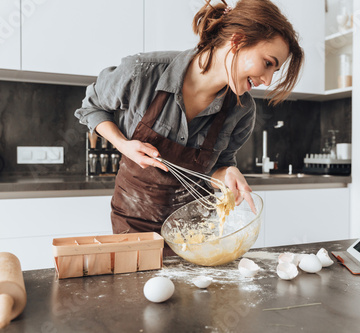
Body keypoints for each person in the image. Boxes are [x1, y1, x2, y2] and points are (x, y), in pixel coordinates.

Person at [74, 0, 303, 255]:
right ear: (237, 41)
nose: (268, 80)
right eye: (268, 63)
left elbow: (220, 163)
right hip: (133, 223)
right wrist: (123, 144)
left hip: (196, 231)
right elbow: (91, 107)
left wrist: (227, 173)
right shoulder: (143, 73)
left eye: (275, 71)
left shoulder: (242, 110)